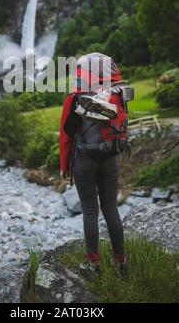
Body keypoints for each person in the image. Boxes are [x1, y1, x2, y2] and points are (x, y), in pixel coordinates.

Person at [59, 53, 127, 277]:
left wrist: (63, 165)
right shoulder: (118, 93)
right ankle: (121, 262)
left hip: (85, 159)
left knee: (90, 212)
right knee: (111, 209)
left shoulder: (75, 97)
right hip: (110, 157)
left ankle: (93, 264)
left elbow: (66, 135)